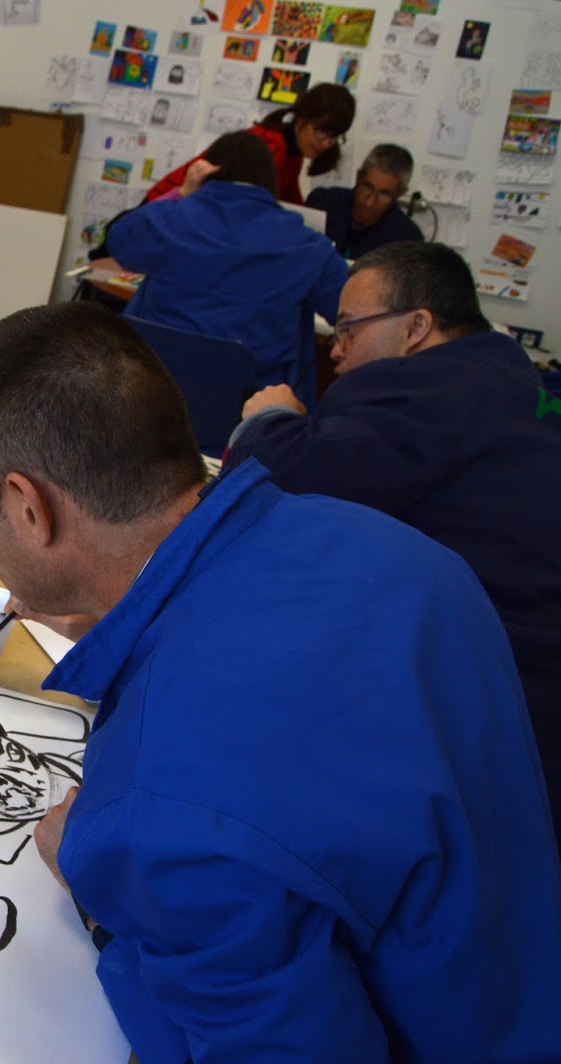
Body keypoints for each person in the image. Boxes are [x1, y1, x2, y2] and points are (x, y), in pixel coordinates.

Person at [0, 301, 561, 1060]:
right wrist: (127, 636)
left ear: (29, 508)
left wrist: (107, 911)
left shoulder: (162, 819)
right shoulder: (398, 551)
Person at [226, 242, 561, 846]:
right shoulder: (512, 384)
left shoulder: (431, 393)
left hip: (491, 718)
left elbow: (286, 474)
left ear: (415, 328)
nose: (336, 348)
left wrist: (268, 420)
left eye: (350, 328)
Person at [108, 131, 349, 402]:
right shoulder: (308, 247)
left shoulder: (172, 220)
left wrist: (183, 193)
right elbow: (355, 312)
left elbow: (119, 240)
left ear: (207, 172)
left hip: (149, 399)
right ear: (270, 180)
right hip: (249, 413)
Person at [145, 82, 353, 205]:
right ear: (301, 118)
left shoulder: (292, 154)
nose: (326, 143)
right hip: (164, 205)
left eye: (334, 137)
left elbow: (292, 206)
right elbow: (244, 206)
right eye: (322, 131)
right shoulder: (271, 148)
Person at [306, 143, 424, 259]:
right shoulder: (322, 202)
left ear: (400, 194)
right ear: (358, 177)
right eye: (366, 187)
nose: (369, 202)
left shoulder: (407, 241)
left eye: (384, 195)